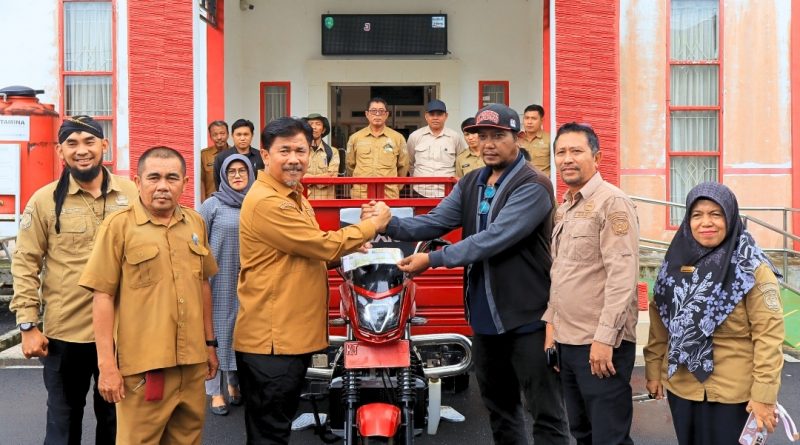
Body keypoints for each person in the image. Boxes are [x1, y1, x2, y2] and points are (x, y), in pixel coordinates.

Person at [362, 104, 569, 445]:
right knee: (500, 408)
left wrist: (433, 259)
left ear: (517, 138)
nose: (488, 144)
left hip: (528, 316)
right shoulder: (472, 181)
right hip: (485, 318)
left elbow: (493, 239)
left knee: (545, 412)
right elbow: (436, 221)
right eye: (482, 136)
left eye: (498, 136)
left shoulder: (534, 185)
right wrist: (388, 224)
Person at [234, 117, 392, 444]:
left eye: (301, 150)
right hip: (272, 341)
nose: (294, 159)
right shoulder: (268, 201)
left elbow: (309, 252)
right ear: (265, 155)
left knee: (274, 429)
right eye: (285, 151)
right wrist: (372, 226)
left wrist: (351, 247)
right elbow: (320, 245)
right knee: (269, 435)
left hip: (287, 336)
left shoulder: (294, 195)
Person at [10, 115, 137, 445]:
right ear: (60, 151)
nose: (82, 150)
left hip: (123, 330)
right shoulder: (44, 201)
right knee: (63, 423)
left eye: (90, 141)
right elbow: (25, 262)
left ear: (104, 145)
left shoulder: (131, 193)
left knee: (118, 423)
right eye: (72, 143)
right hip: (66, 332)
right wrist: (27, 325)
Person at [79, 146, 219, 445]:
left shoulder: (195, 223)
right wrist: (106, 366)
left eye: (172, 178)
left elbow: (202, 284)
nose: (163, 186)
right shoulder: (118, 227)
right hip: (144, 371)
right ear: (138, 181)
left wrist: (210, 344)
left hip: (192, 365)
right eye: (154, 177)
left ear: (185, 182)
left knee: (188, 440)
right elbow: (102, 297)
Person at [644, 182, 785, 445]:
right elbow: (660, 321)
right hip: (682, 387)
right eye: (697, 215)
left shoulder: (751, 268)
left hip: (735, 395)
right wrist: (653, 369)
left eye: (716, 214)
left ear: (730, 217)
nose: (706, 222)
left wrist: (764, 395)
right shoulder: (675, 263)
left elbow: (769, 336)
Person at [543, 122, 639, 445]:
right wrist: (552, 328)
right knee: (582, 433)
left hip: (600, 344)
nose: (567, 159)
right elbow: (561, 273)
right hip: (568, 342)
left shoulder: (612, 202)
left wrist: (604, 339)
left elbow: (622, 276)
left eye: (576, 151)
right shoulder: (565, 207)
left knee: (609, 437)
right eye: (561, 152)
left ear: (597, 158)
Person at [199, 154, 255, 416]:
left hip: (247, 279)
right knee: (216, 332)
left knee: (238, 332)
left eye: (242, 170)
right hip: (217, 279)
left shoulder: (256, 203)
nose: (237, 175)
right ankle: (215, 392)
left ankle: (233, 384)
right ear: (222, 175)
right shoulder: (212, 205)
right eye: (231, 171)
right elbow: (197, 242)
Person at [345, 97, 409, 199]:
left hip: (388, 193)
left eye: (381, 111)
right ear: (367, 114)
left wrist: (396, 186)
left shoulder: (398, 138)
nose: (377, 114)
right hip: (361, 194)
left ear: (386, 114)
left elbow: (403, 165)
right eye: (373, 111)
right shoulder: (355, 138)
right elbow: (350, 165)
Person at [406, 99, 466, 197]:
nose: (435, 118)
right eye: (432, 114)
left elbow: (461, 163)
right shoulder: (415, 136)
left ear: (446, 116)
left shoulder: (455, 137)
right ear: (426, 116)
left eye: (439, 114)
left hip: (448, 191)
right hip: (421, 190)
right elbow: (410, 163)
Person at [213, 119, 265, 189]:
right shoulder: (221, 158)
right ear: (232, 136)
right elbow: (219, 184)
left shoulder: (261, 156)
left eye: (246, 134)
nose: (242, 138)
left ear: (252, 135)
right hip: (230, 196)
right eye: (238, 135)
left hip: (256, 195)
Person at [302, 113, 341, 199]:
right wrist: (321, 177)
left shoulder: (333, 152)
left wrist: (308, 178)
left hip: (326, 201)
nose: (314, 127)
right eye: (310, 124)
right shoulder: (299, 151)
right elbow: (297, 177)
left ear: (323, 130)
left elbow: (332, 177)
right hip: (304, 200)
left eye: (318, 124)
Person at [200, 120, 229, 201]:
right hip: (211, 201)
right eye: (215, 134)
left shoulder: (235, 153)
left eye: (222, 133)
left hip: (231, 202)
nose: (219, 137)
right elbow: (201, 181)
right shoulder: (204, 155)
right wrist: (203, 203)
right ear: (210, 137)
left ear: (228, 134)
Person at [518, 104, 551, 175]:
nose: (529, 122)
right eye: (526, 118)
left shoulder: (549, 140)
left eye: (533, 118)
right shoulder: (516, 139)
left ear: (542, 121)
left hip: (541, 180)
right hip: (520, 180)